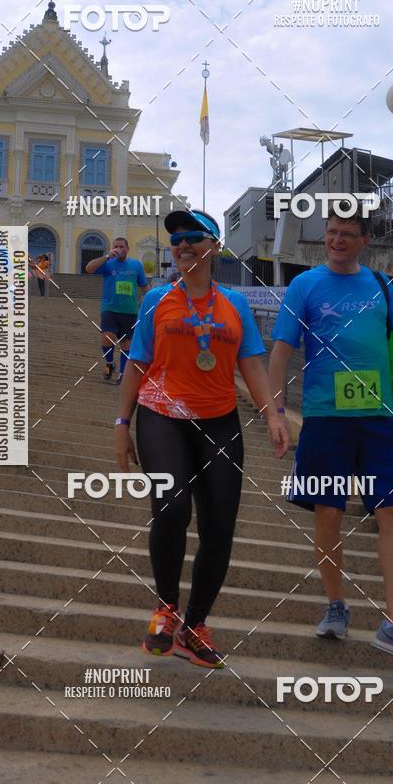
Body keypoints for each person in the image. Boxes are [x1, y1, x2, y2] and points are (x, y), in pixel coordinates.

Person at [115, 209, 289, 668]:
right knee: (172, 507)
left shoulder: (235, 304)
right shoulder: (157, 299)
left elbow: (251, 364)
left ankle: (194, 625)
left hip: (219, 422)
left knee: (219, 528)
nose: (183, 245)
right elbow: (137, 363)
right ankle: (166, 610)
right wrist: (121, 424)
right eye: (176, 240)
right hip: (161, 415)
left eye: (193, 236)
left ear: (215, 247)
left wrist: (273, 415)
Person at [269, 205, 393, 665]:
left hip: (381, 419)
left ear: (364, 241)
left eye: (347, 233)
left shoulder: (381, 285)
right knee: (329, 514)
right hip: (326, 419)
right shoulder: (305, 285)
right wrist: (275, 413)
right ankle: (336, 604)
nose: (337, 240)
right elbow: (280, 351)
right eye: (331, 232)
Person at [86, 237, 148, 384]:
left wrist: (152, 299)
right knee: (107, 337)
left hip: (130, 310)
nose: (118, 249)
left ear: (127, 249)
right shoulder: (107, 263)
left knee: (126, 344)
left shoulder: (136, 265)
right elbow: (89, 268)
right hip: (109, 308)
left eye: (121, 246)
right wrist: (107, 256)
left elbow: (144, 286)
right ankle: (109, 363)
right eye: (116, 247)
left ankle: (122, 375)